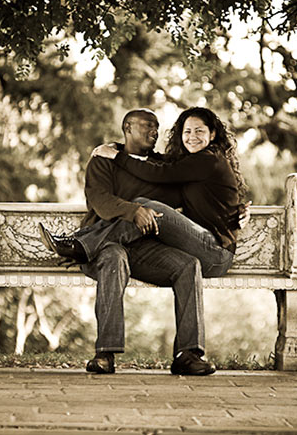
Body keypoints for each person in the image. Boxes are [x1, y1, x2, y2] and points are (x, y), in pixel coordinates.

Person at [42, 108, 217, 376]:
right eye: (147, 125)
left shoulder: (162, 166)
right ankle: (105, 354)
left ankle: (188, 353)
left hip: (145, 249)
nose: (154, 132)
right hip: (106, 246)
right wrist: (133, 212)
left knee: (188, 265)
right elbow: (100, 201)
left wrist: (233, 211)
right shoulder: (104, 159)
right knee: (115, 257)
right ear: (127, 128)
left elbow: (191, 196)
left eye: (156, 127)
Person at [46, 107, 248, 278]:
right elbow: (158, 162)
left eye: (199, 131)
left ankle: (81, 245)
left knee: (146, 206)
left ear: (212, 135)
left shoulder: (209, 159)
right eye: (187, 132)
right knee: (143, 207)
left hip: (214, 253)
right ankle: (83, 245)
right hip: (199, 245)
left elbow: (158, 172)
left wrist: (117, 156)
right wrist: (118, 148)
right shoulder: (189, 164)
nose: (192, 137)